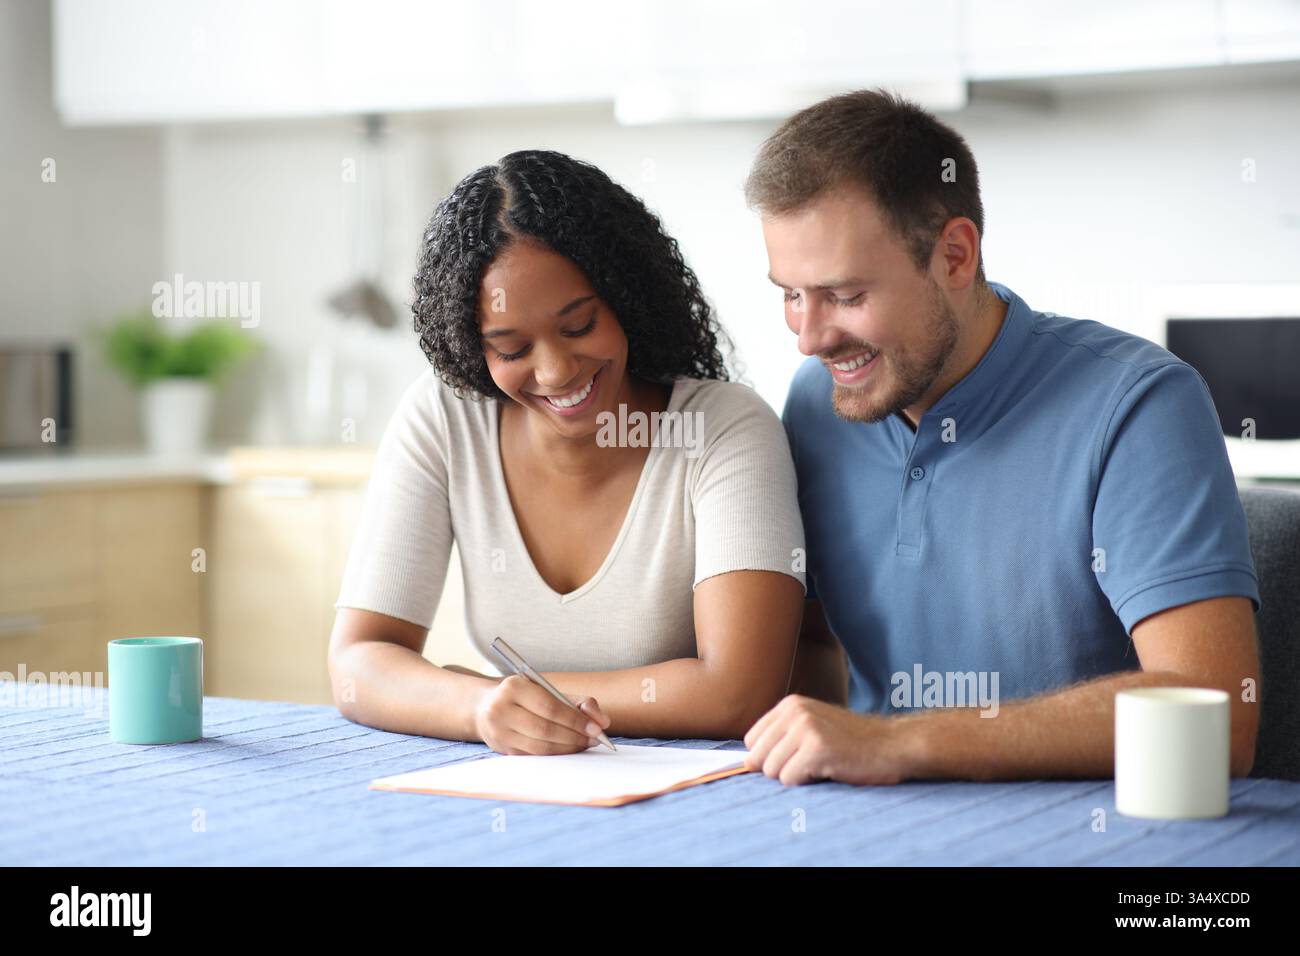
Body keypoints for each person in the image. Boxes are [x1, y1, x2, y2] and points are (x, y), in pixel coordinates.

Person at [741, 88, 1261, 785]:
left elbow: (1215, 715)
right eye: (790, 294)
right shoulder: (817, 404)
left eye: (846, 296)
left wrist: (896, 744)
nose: (809, 338)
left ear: (955, 256)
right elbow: (807, 651)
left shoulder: (1138, 404)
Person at [329, 149, 805, 755]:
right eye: (510, 347)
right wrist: (479, 707)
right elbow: (357, 661)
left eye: (578, 327)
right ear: (474, 350)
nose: (554, 371)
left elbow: (740, 692)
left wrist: (512, 693)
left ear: (625, 298)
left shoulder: (724, 429)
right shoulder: (444, 419)